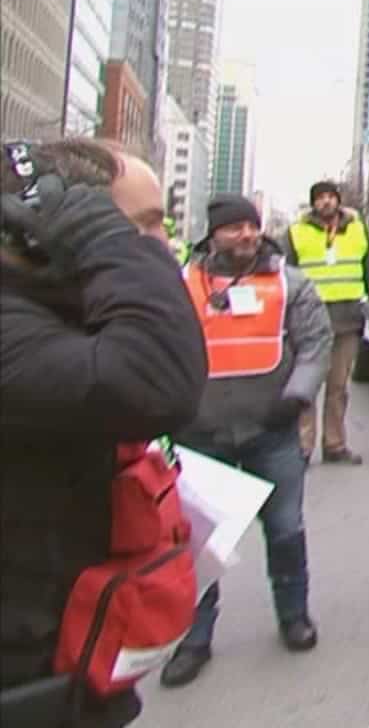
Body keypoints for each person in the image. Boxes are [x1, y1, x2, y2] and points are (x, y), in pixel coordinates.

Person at [1, 139, 206, 728]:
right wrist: (103, 233)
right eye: (140, 228)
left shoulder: (45, 310)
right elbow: (158, 379)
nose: (161, 249)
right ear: (50, 225)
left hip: (54, 659)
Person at [161, 194, 332, 688]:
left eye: (251, 227)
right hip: (200, 435)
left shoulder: (288, 284)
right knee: (201, 545)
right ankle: (193, 639)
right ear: (213, 234)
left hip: (270, 433)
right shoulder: (182, 284)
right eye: (234, 228)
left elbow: (315, 344)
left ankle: (294, 617)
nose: (246, 236)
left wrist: (295, 398)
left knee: (284, 531)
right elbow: (160, 346)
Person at [283, 179, 369, 464]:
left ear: (338, 200)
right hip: (308, 321)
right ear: (313, 203)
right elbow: (286, 277)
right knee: (308, 386)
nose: (326, 202)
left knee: (338, 387)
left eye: (330, 197)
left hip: (347, 320)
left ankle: (335, 445)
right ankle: (303, 447)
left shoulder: (358, 229)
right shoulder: (296, 232)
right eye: (320, 198)